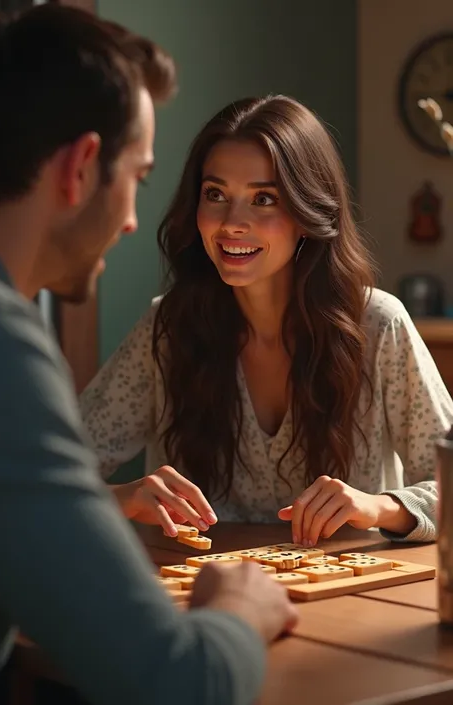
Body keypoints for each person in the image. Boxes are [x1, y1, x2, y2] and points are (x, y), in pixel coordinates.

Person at [0, 7, 298, 705]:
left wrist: (102, 499)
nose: (131, 220)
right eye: (139, 176)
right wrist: (241, 604)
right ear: (81, 167)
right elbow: (179, 684)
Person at [80, 94, 453, 547]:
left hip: (349, 602)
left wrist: (376, 506)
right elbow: (41, 474)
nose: (232, 223)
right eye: (215, 194)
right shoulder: (170, 329)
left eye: (264, 199)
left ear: (307, 213)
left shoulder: (377, 326)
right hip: (203, 602)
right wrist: (121, 497)